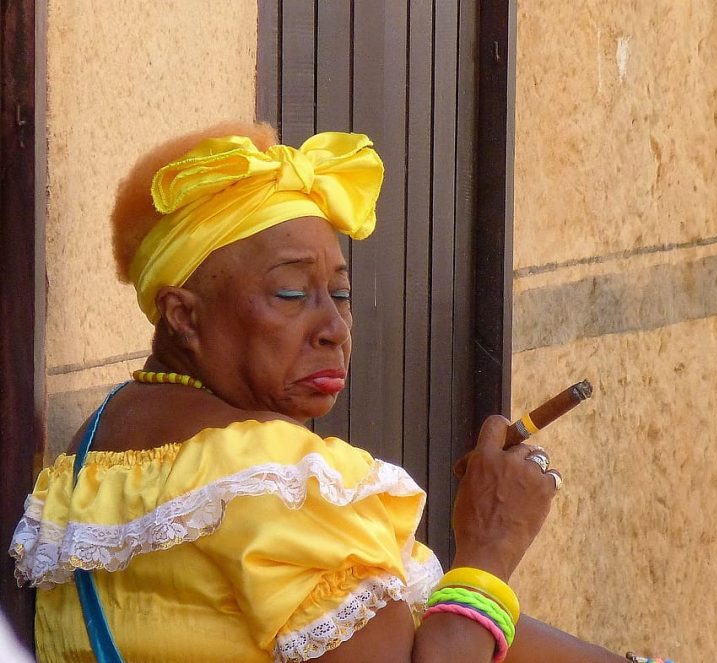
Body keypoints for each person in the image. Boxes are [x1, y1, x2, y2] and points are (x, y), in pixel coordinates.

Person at [10, 122, 626, 662]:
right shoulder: (274, 476)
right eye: (290, 294)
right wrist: (490, 546)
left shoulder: (91, 455)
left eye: (341, 293)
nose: (334, 328)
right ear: (183, 316)